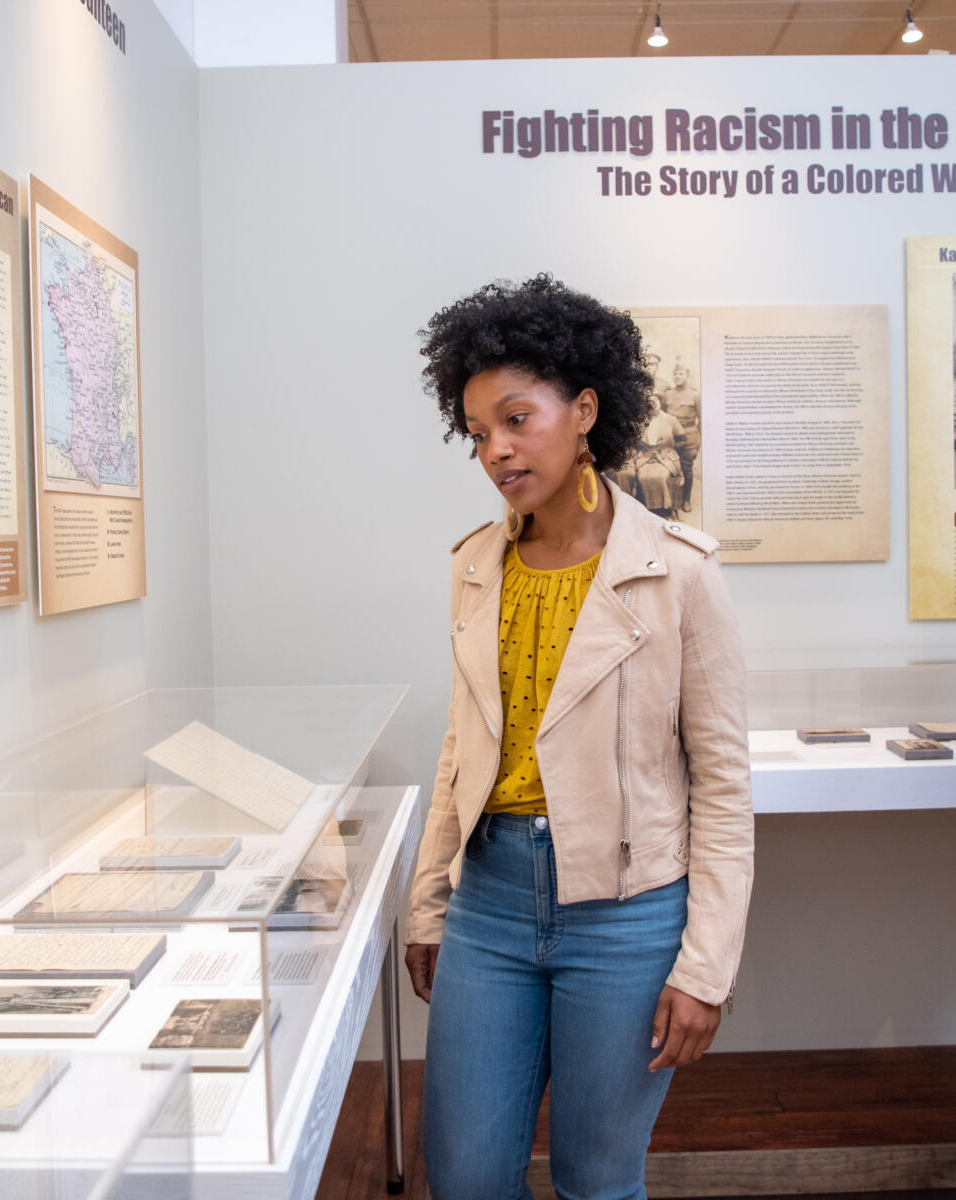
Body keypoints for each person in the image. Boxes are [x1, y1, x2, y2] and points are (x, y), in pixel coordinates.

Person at [409, 274, 754, 1200]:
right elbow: (461, 743)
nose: (497, 450)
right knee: (468, 1179)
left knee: (598, 1181)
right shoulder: (476, 566)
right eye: (479, 432)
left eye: (518, 419)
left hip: (629, 914)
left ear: (586, 407)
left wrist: (707, 966)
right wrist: (427, 898)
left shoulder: (677, 574)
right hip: (489, 900)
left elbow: (722, 782)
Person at [630, 394, 689, 518]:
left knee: (661, 476)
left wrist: (670, 448)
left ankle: (666, 509)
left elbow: (683, 439)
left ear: (660, 403)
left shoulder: (670, 419)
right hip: (646, 456)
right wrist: (642, 446)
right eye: (649, 401)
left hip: (666, 455)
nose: (652, 404)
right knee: (643, 477)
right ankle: (648, 510)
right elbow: (633, 440)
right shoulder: (640, 420)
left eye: (655, 401)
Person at [658, 361, 701, 512]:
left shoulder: (695, 395)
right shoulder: (667, 394)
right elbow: (661, 415)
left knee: (686, 468)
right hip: (670, 437)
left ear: (687, 375)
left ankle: (686, 499)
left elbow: (702, 420)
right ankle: (669, 500)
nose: (677, 376)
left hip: (689, 437)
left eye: (681, 373)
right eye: (675, 374)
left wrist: (697, 441)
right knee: (668, 467)